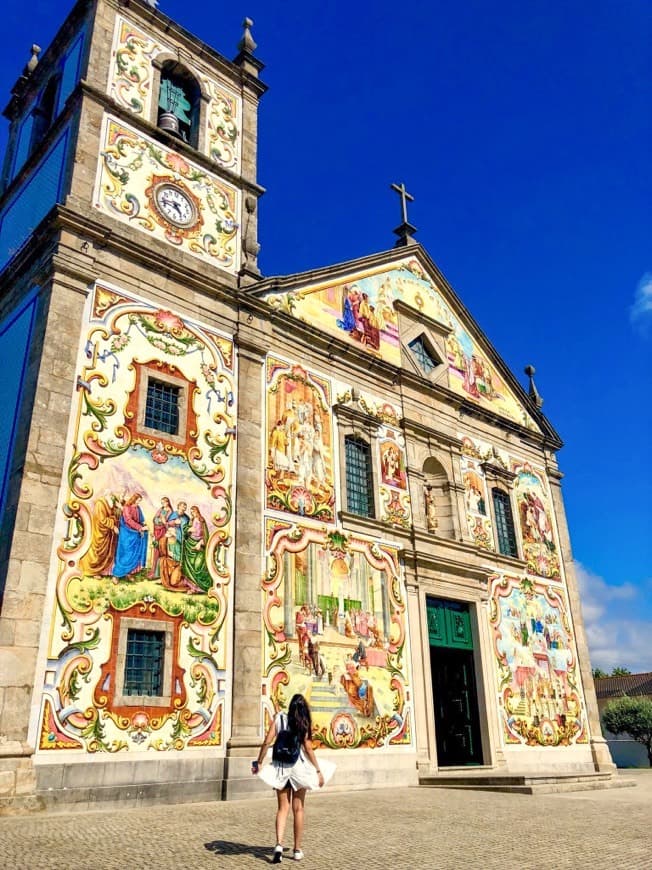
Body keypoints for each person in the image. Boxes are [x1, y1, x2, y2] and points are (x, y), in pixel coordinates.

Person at [253, 694, 335, 863]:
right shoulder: (302, 723)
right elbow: (308, 749)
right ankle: (297, 850)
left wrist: (259, 761)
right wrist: (318, 770)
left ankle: (278, 845)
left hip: (281, 767)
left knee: (283, 808)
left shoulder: (279, 719)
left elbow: (267, 742)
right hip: (299, 769)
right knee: (298, 809)